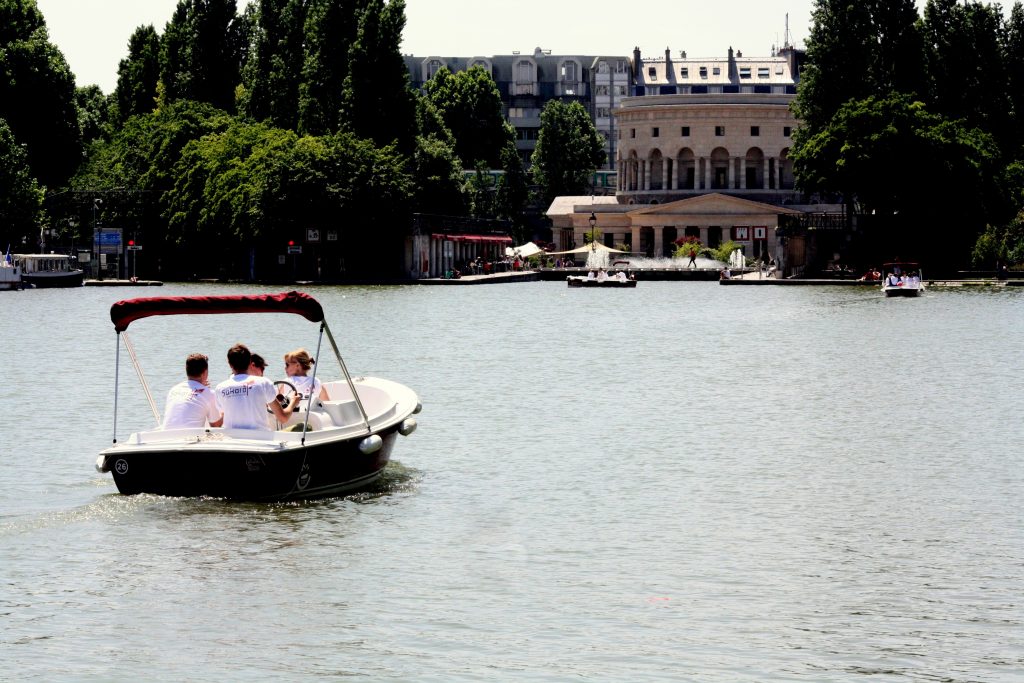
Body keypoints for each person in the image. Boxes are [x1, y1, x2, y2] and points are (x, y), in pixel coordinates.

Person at [215, 343, 298, 430]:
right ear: (250, 362)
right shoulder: (264, 383)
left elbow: (224, 414)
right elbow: (283, 418)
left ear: (229, 364)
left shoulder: (220, 388)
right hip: (261, 439)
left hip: (231, 440)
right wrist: (293, 402)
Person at [161, 353, 223, 429]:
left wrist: (202, 387)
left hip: (166, 436)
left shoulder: (173, 390)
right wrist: (225, 413)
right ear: (205, 372)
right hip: (189, 438)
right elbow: (216, 425)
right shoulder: (209, 393)